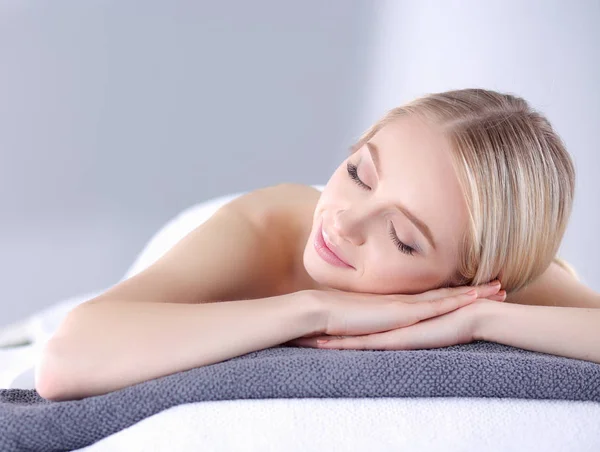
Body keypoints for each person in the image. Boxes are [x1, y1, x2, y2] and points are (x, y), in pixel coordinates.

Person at [36, 88, 600, 402]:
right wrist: (314, 308)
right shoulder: (267, 228)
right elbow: (64, 361)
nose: (345, 223)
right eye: (359, 172)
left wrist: (480, 323)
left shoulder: (492, 281)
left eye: (402, 239)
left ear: (467, 282)